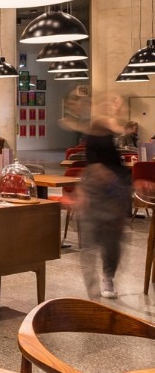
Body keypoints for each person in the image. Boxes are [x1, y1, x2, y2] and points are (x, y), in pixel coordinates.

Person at [63, 91, 133, 299]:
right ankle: (93, 291)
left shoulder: (111, 129)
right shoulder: (96, 126)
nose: (113, 106)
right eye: (109, 102)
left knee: (112, 242)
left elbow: (116, 127)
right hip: (94, 189)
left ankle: (108, 277)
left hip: (115, 189)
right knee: (90, 242)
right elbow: (92, 159)